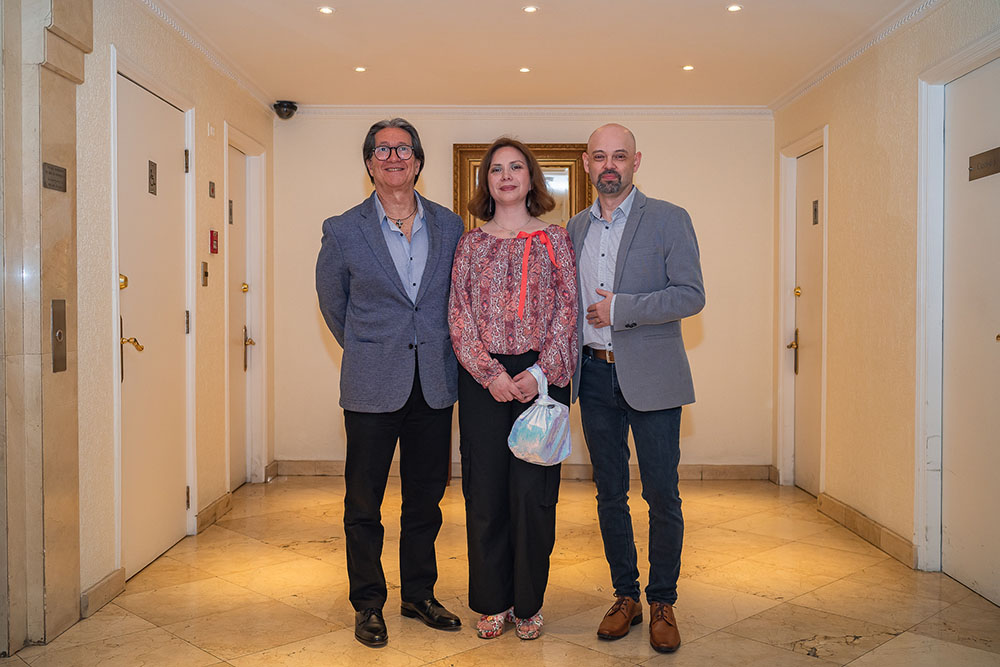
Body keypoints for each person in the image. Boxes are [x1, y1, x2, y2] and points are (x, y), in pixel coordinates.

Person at [315, 118, 465, 647]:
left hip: (434, 383)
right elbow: (333, 304)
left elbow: (456, 299)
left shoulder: (450, 226)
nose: (394, 157)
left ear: (418, 162)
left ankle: (418, 594)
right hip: (371, 384)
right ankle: (368, 603)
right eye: (383, 150)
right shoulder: (343, 229)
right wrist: (369, 347)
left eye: (403, 149)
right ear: (369, 163)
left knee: (426, 500)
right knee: (364, 503)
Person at [567, 124, 705, 654]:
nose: (610, 165)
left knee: (662, 494)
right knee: (609, 493)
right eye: (600, 156)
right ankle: (625, 596)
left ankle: (662, 601)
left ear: (636, 161)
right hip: (593, 376)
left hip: (654, 377)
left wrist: (621, 308)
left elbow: (690, 295)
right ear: (586, 163)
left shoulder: (669, 218)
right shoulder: (574, 228)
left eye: (619, 156)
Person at [448, 137, 578, 641]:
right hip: (484, 381)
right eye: (496, 169)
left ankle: (528, 604)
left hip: (542, 381)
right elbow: (458, 315)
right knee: (485, 494)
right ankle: (492, 601)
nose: (506, 176)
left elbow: (569, 311)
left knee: (532, 496)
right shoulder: (470, 244)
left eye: (516, 167)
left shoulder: (555, 240)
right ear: (487, 181)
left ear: (531, 178)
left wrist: (540, 373)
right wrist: (490, 374)